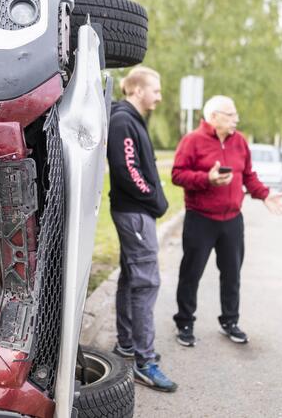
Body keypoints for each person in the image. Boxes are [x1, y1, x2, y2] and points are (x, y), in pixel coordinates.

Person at [171, 95, 282, 347]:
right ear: (213, 117)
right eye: (231, 114)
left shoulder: (240, 141)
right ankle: (185, 321)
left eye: (235, 115)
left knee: (232, 274)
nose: (236, 119)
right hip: (200, 218)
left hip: (232, 220)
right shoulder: (192, 141)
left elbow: (248, 175)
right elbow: (177, 175)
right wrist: (207, 179)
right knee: (192, 273)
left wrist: (265, 195)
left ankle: (230, 321)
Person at [106, 66, 177, 392]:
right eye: (156, 91)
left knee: (131, 278)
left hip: (136, 213)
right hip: (135, 214)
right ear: (137, 90)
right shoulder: (123, 121)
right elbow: (126, 169)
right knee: (146, 283)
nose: (159, 97)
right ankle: (145, 361)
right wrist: (153, 199)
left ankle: (127, 345)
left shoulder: (130, 120)